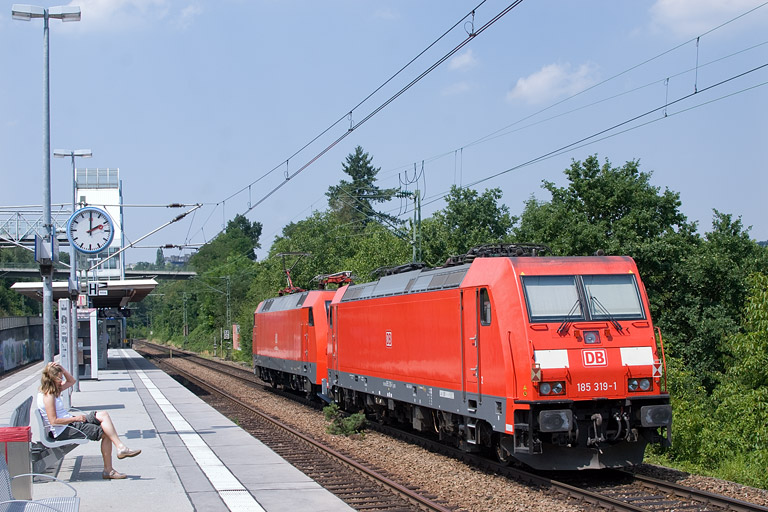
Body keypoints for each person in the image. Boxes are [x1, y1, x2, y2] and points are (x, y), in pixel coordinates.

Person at [38, 361, 141, 480]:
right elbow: (53, 421)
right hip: (65, 429)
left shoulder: (54, 390)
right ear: (51, 379)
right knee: (106, 434)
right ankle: (109, 470)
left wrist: (62, 369)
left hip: (70, 423)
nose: (61, 381)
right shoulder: (48, 396)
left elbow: (72, 381)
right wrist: (75, 418)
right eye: (59, 378)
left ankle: (121, 447)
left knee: (103, 414)